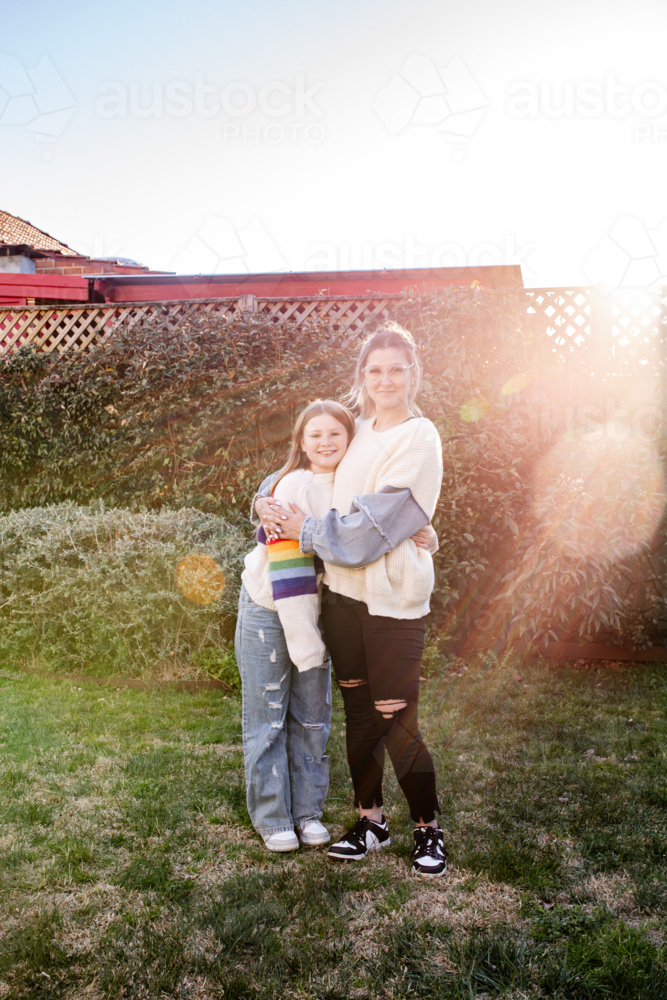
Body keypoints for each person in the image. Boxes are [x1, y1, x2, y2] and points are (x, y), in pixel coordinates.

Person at [255, 322, 447, 876]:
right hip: (340, 596)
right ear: (362, 376)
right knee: (360, 715)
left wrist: (307, 529)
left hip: (392, 601)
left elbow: (365, 532)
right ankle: (371, 821)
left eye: (396, 369)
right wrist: (264, 501)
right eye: (375, 370)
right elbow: (300, 466)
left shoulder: (419, 436)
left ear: (413, 374)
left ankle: (428, 830)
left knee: (396, 716)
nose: (385, 379)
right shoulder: (355, 426)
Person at [236, 399, 355, 852]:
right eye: (315, 435)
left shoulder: (353, 483)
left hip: (320, 609)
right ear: (301, 444)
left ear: (349, 438)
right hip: (273, 604)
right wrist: (305, 639)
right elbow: (288, 562)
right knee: (268, 715)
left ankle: (307, 811)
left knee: (311, 717)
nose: (325, 442)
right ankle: (274, 817)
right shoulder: (293, 484)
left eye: (335, 434)